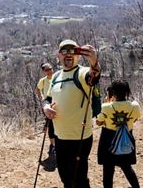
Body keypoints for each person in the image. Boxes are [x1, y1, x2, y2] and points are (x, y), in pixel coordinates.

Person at [43, 39, 100, 188]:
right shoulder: (55, 76)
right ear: (58, 56)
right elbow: (48, 98)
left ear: (78, 55)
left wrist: (94, 62)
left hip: (80, 137)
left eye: (72, 51)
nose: (68, 54)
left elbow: (93, 77)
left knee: (79, 178)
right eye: (64, 51)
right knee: (64, 176)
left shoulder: (81, 73)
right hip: (60, 136)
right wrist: (45, 107)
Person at [96, 80, 141, 188]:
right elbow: (135, 120)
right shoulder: (134, 106)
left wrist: (108, 101)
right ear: (127, 92)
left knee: (108, 171)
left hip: (108, 141)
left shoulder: (106, 107)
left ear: (112, 92)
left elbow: (98, 122)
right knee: (127, 168)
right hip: (125, 140)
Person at [35, 63, 57, 170]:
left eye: (50, 69)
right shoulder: (43, 80)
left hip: (58, 102)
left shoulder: (58, 76)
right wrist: (43, 98)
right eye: (47, 70)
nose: (49, 71)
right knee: (50, 123)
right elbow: (38, 89)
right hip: (48, 103)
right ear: (44, 71)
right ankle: (53, 145)